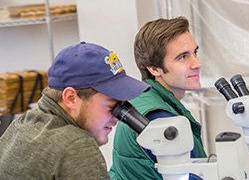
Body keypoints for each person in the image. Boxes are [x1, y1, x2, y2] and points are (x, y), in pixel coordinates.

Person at [0, 42, 150, 180]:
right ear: (71, 98)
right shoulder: (75, 145)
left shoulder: (20, 125)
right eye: (112, 106)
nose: (117, 118)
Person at [109, 16, 207, 180]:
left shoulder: (143, 100)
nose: (196, 63)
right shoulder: (159, 118)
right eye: (182, 57)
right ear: (154, 69)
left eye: (194, 52)